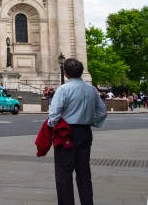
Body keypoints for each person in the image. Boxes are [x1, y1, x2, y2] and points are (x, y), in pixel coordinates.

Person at [48, 57, 107, 205]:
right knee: (84, 174)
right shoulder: (91, 90)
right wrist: (91, 121)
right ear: (81, 73)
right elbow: (102, 112)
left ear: (66, 73)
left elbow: (54, 115)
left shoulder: (63, 89)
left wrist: (52, 125)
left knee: (64, 175)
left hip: (66, 133)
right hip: (85, 133)